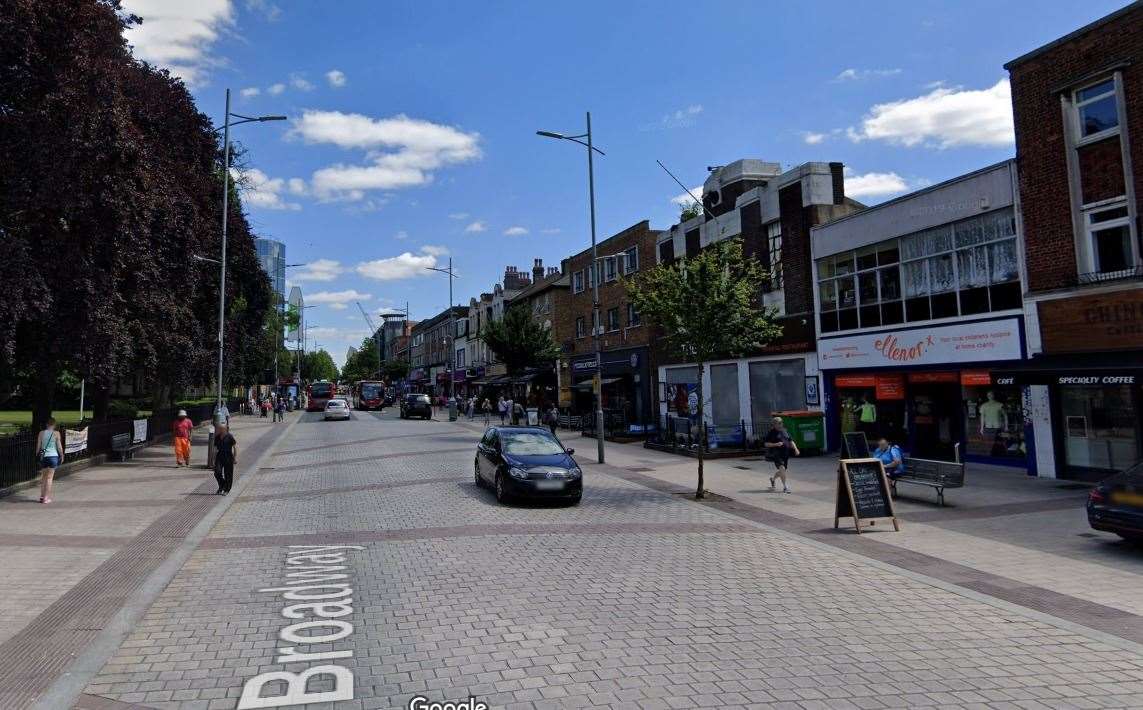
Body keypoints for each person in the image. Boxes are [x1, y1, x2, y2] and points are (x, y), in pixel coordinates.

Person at [764, 416, 799, 494]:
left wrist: (796, 449)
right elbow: (766, 444)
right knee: (782, 469)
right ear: (775, 424)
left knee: (782, 471)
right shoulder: (771, 433)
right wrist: (776, 444)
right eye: (779, 423)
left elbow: (790, 441)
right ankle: (785, 487)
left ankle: (772, 479)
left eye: (781, 423)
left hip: (785, 454)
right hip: (776, 454)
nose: (781, 424)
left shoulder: (784, 431)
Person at [37, 417, 63, 504]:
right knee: (49, 478)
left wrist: (37, 455)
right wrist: (62, 455)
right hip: (53, 456)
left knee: (43, 477)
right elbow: (59, 447)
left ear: (46, 424)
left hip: (44, 457)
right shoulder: (56, 433)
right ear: (54, 425)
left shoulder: (41, 433)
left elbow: (38, 446)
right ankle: (46, 498)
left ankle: (41, 496)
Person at [213, 423, 238, 495]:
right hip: (219, 456)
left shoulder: (229, 437)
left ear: (225, 429)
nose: (220, 430)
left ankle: (227, 489)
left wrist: (235, 458)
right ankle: (222, 485)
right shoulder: (217, 437)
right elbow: (215, 449)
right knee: (217, 472)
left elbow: (235, 447)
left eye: (221, 429)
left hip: (228, 456)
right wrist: (213, 459)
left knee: (228, 474)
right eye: (219, 428)